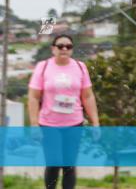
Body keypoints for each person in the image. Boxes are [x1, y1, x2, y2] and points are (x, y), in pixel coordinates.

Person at [28, 34, 100, 189]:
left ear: (72, 49)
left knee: (69, 166)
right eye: (60, 46)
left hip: (74, 124)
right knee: (53, 164)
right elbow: (33, 97)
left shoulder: (81, 67)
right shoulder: (43, 67)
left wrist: (96, 122)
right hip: (49, 124)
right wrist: (34, 124)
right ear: (53, 49)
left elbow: (87, 96)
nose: (64, 49)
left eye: (68, 46)